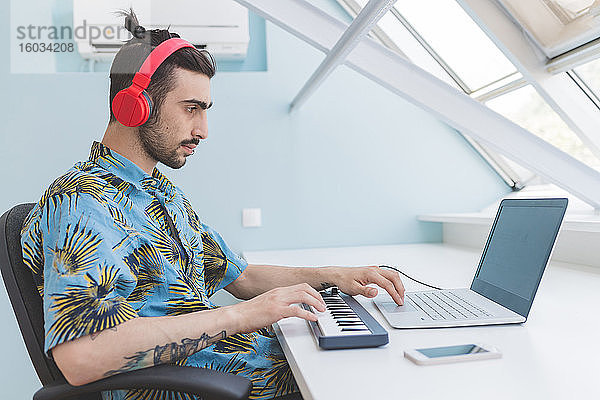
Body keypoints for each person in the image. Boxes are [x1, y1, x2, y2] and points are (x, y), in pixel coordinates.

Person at [20, 10, 405, 400]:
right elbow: (80, 357)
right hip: (216, 388)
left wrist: (334, 275)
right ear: (134, 106)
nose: (203, 130)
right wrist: (243, 316)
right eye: (191, 108)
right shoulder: (81, 203)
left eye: (204, 110)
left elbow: (240, 278)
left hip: (248, 368)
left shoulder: (161, 193)